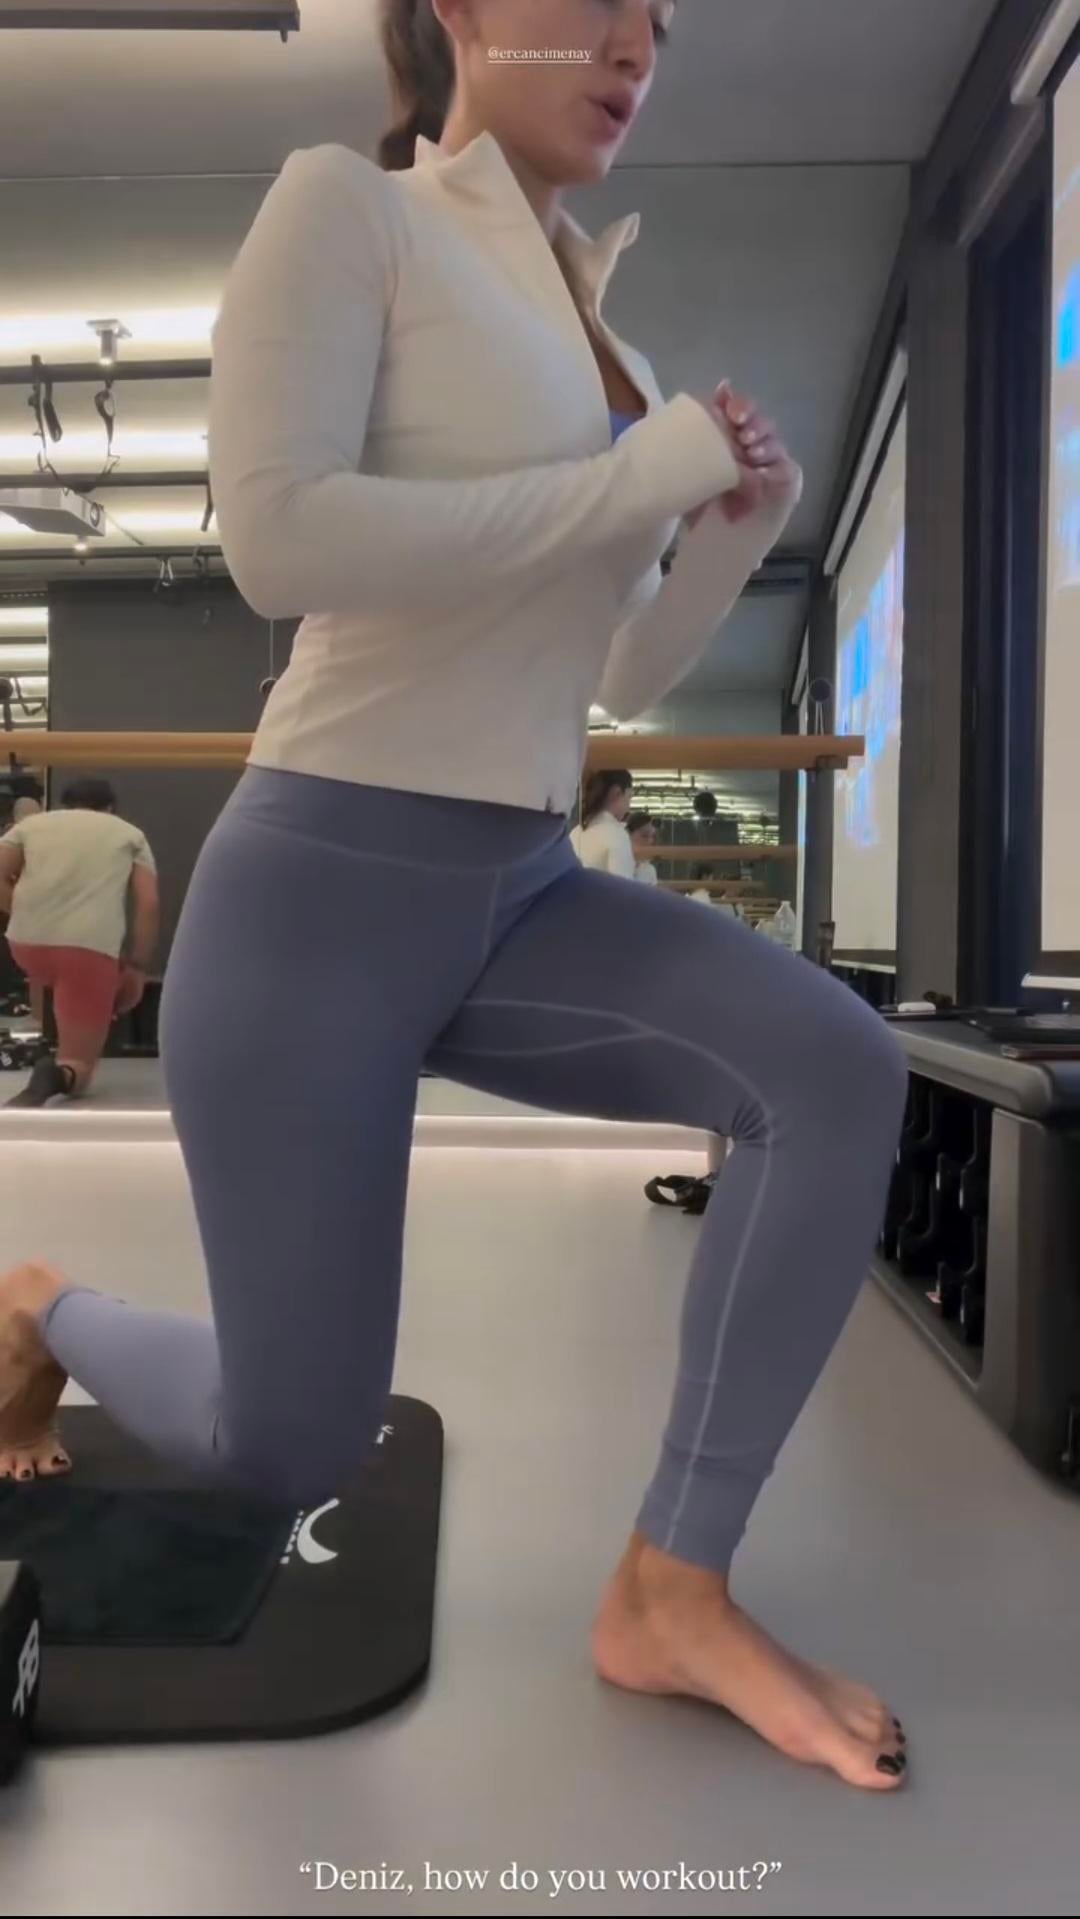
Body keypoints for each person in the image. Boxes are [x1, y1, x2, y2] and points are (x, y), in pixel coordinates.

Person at [0, 0, 909, 1790]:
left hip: (521, 883)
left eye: (660, 19)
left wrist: (722, 529)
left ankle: (672, 1585)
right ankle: (42, 1305)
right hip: (320, 892)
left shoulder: (611, 341)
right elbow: (281, 539)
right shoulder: (350, 208)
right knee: (289, 1441)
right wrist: (627, 477)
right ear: (465, 10)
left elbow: (617, 670)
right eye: (597, 3)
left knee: (833, 1067)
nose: (636, 42)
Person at [0, 778, 159, 1109]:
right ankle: (59, 1072)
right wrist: (137, 967)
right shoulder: (129, 834)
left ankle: (51, 1035)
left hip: (25, 943)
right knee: (80, 1065)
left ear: (64, 804)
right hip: (88, 949)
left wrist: (23, 910)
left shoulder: (32, 826)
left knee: (61, 980)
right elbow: (148, 905)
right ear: (111, 807)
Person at [570, 769, 635, 878]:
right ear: (616, 793)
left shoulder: (575, 833)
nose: (629, 806)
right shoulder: (616, 835)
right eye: (629, 797)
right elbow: (623, 884)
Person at [626, 810, 659, 884]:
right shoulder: (617, 863)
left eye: (653, 836)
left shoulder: (649, 870)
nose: (650, 841)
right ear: (628, 834)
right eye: (644, 835)